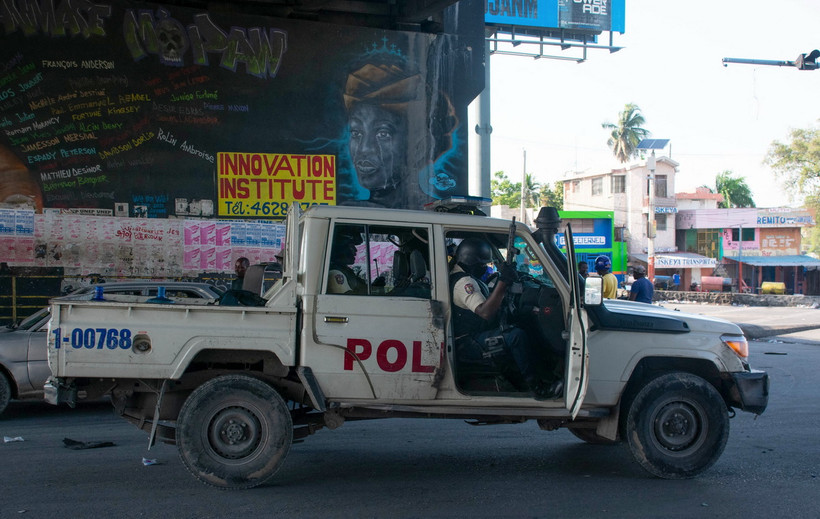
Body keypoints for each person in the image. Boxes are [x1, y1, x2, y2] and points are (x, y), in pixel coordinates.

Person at [450, 238, 559, 399]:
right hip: (467, 343)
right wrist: (503, 282)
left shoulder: (465, 276)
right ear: (472, 262)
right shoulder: (464, 282)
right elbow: (485, 312)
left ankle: (532, 377)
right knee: (516, 336)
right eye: (483, 264)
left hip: (474, 335)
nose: (485, 267)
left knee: (520, 322)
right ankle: (537, 387)